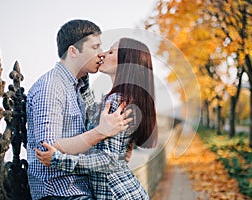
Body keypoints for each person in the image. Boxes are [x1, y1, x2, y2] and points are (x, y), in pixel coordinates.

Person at [35, 38, 158, 200]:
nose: (103, 54)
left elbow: (109, 161)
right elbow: (92, 113)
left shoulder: (116, 102)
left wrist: (59, 160)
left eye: (111, 51)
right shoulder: (125, 99)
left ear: (124, 62)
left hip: (117, 195)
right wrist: (83, 74)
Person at [26, 19, 132, 200]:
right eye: (95, 47)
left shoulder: (79, 87)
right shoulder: (51, 87)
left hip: (82, 189)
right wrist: (100, 132)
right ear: (73, 51)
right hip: (60, 193)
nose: (101, 54)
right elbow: (48, 150)